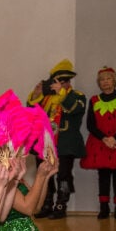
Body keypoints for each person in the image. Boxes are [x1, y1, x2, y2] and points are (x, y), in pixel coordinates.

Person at [27, 59, 86, 219]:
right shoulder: (46, 98)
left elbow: (74, 108)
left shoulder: (77, 96)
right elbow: (31, 114)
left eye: (62, 82)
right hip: (44, 143)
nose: (58, 85)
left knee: (63, 175)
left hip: (65, 143)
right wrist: (36, 95)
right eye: (56, 82)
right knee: (44, 173)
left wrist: (62, 94)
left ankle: (61, 205)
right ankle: (46, 204)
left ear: (68, 82)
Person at [80, 66, 116, 219]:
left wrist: (115, 138)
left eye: (108, 78)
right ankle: (104, 208)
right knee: (103, 175)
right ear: (99, 83)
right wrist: (105, 138)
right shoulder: (94, 100)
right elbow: (90, 125)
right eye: (102, 80)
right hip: (101, 143)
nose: (105, 82)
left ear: (114, 80)